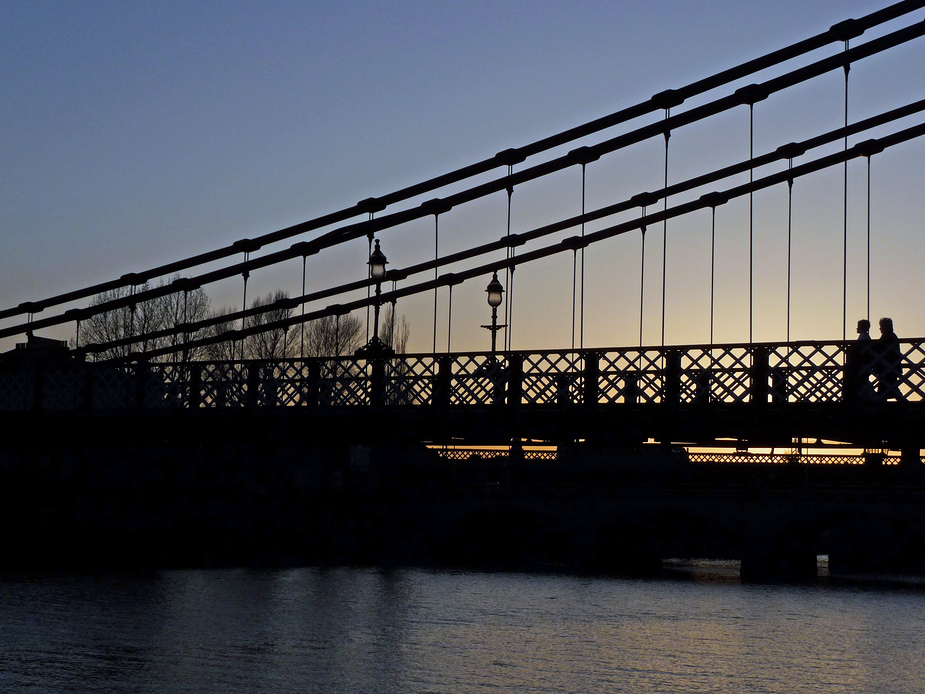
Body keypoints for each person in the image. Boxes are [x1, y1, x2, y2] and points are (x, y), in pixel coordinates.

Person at [874, 317, 903, 400]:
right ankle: (903, 403)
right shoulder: (892, 336)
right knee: (890, 388)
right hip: (890, 367)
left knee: (885, 388)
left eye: (881, 327)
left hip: (887, 367)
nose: (880, 329)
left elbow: (881, 348)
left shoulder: (887, 337)